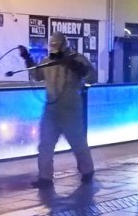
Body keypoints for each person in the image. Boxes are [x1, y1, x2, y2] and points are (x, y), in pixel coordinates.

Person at [19, 32, 97, 188]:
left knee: (77, 143)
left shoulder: (76, 59)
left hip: (70, 110)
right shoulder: (48, 61)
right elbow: (37, 75)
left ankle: (87, 171)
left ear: (63, 45)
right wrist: (27, 58)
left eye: (56, 45)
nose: (54, 49)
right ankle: (45, 178)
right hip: (52, 110)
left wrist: (79, 68)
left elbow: (92, 77)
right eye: (52, 45)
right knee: (45, 145)